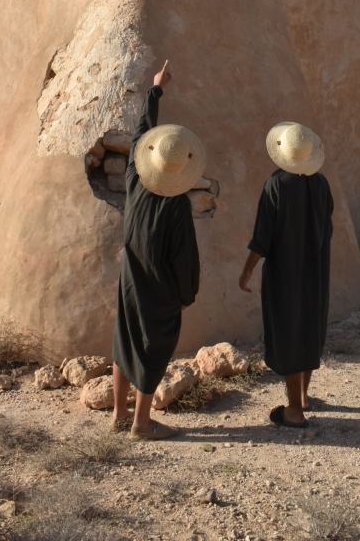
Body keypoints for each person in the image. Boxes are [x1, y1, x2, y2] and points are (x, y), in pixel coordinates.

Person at [112, 60, 204, 440]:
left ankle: (119, 415)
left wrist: (155, 89)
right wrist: (187, 296)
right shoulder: (177, 204)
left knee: (124, 340)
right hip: (160, 287)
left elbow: (141, 132)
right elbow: (183, 257)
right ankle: (141, 423)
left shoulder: (134, 176)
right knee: (153, 347)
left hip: (129, 278)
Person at [239, 122, 333, 428]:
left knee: (289, 331)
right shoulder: (321, 185)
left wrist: (247, 269)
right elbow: (326, 230)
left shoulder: (276, 186)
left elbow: (263, 238)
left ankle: (294, 410)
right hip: (315, 271)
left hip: (286, 274)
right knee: (308, 326)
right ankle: (303, 396)